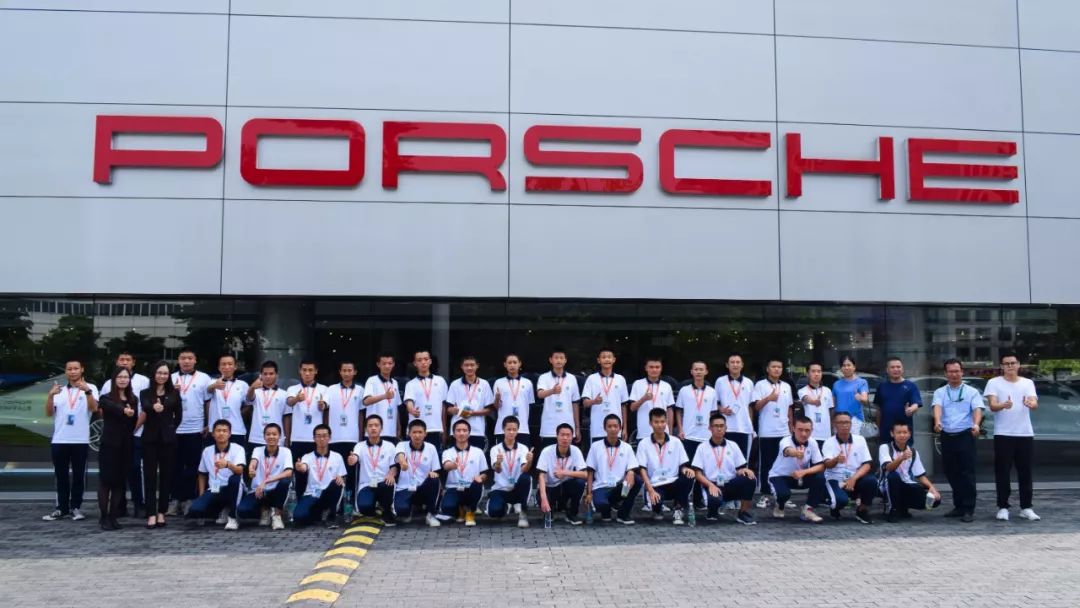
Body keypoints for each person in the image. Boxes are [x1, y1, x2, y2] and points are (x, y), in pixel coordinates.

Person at [984, 352, 1040, 522]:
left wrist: (1030, 403)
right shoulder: (994, 382)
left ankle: (1026, 507)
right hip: (1003, 433)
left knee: (1025, 472)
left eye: (1013, 363)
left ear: (1018, 364)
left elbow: (1034, 403)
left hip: (1024, 433)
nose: (1010, 366)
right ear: (1002, 366)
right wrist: (1003, 405)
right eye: (1006, 363)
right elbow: (992, 406)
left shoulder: (1027, 383)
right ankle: (1003, 507)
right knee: (1002, 472)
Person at [42, 359, 98, 522]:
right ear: (66, 372)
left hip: (80, 440)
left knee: (79, 476)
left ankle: (76, 508)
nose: (73, 371)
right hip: (60, 439)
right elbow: (48, 413)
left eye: (76, 368)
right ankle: (61, 508)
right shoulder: (58, 389)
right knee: (61, 476)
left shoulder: (91, 387)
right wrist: (50, 395)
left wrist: (87, 391)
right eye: (70, 369)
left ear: (82, 370)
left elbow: (94, 409)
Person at [932, 358, 984, 523]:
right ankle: (958, 506)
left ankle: (968, 508)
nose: (954, 374)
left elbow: (977, 409)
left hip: (965, 435)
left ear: (962, 372)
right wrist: (937, 421)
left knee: (967, 473)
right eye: (950, 371)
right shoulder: (940, 392)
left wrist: (976, 424)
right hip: (947, 435)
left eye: (956, 371)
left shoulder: (971, 391)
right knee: (951, 472)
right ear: (945, 373)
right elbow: (937, 407)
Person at [99, 351, 150, 518]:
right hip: (112, 439)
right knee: (111, 476)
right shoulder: (107, 388)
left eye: (128, 360)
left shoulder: (140, 386)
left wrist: (133, 428)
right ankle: (113, 511)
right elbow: (104, 408)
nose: (125, 362)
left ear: (133, 362)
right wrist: (122, 412)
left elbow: (143, 410)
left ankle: (137, 504)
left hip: (134, 435)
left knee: (133, 470)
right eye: (122, 359)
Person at [690, 413, 757, 525]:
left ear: (726, 428)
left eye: (722, 426)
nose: (719, 429)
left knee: (750, 478)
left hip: (730, 483)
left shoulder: (733, 445)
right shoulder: (702, 447)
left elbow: (739, 468)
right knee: (714, 500)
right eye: (716, 426)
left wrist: (744, 470)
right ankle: (712, 511)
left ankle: (743, 513)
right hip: (712, 484)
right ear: (710, 428)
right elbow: (697, 473)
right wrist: (710, 485)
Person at [139, 361, 181, 529]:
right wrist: (153, 407)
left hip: (168, 440)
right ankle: (151, 513)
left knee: (166, 476)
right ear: (153, 374)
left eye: (165, 373)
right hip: (149, 439)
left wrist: (170, 429)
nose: (162, 376)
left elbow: (178, 416)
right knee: (150, 477)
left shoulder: (174, 393)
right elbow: (145, 406)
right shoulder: (145, 393)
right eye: (159, 373)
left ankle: (162, 512)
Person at [169, 348, 211, 516]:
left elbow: (207, 402)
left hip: (195, 429)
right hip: (174, 429)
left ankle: (189, 499)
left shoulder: (204, 378)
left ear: (195, 360)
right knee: (175, 466)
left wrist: (208, 423)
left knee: (193, 466)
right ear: (178, 360)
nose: (186, 361)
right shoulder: (170, 378)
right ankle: (175, 499)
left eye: (190, 358)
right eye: (183, 358)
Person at [96, 367, 138, 530]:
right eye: (120, 377)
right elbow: (109, 407)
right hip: (109, 444)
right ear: (114, 379)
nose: (123, 380)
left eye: (126, 377)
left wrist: (130, 413)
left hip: (126, 444)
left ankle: (114, 516)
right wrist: (124, 410)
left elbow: (134, 419)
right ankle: (104, 517)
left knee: (120, 482)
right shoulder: (106, 397)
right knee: (106, 480)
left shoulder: (133, 399)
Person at [186, 419, 246, 530]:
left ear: (229, 434)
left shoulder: (238, 449)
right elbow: (202, 473)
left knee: (235, 480)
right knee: (195, 510)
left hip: (232, 488)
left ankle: (233, 517)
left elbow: (239, 470)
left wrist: (228, 464)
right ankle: (223, 509)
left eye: (224, 431)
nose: (221, 433)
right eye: (218, 431)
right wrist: (202, 494)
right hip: (215, 488)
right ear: (213, 434)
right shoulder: (207, 451)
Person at [636, 408, 693, 525]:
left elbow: (682, 464)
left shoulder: (676, 441)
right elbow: (642, 469)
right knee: (656, 505)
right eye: (656, 422)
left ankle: (678, 509)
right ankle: (657, 510)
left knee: (689, 476)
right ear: (650, 423)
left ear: (666, 421)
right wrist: (650, 490)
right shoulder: (643, 443)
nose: (660, 425)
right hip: (655, 485)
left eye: (662, 421)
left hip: (673, 482)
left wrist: (686, 469)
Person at [751, 357, 794, 508]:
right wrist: (769, 398)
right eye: (774, 366)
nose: (777, 369)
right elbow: (756, 407)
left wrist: (791, 427)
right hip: (767, 431)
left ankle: (783, 495)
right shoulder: (760, 385)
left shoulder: (786, 386)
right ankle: (765, 494)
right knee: (766, 465)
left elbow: (789, 409)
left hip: (784, 431)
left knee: (784, 464)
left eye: (779, 367)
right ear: (768, 369)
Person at [878, 421, 941, 523]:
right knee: (893, 476)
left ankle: (903, 506)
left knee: (935, 500)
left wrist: (932, 487)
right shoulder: (885, 447)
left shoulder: (913, 452)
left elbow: (920, 475)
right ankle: (893, 510)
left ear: (909, 434)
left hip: (907, 484)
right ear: (892, 434)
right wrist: (901, 458)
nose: (902, 435)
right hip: (887, 485)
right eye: (899, 432)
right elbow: (889, 468)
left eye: (905, 432)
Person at [767, 415, 827, 523]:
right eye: (800, 430)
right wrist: (795, 453)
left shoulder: (812, 442)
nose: (804, 434)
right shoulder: (785, 440)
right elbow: (787, 450)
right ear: (793, 428)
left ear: (812, 431)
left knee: (820, 477)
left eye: (807, 430)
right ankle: (780, 505)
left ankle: (808, 510)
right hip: (780, 476)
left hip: (800, 475)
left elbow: (821, 465)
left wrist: (804, 472)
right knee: (784, 495)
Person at [821, 412, 877, 524]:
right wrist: (835, 460)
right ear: (834, 425)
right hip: (835, 479)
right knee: (840, 501)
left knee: (871, 481)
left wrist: (854, 478)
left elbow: (867, 464)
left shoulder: (860, 439)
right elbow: (827, 464)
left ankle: (862, 510)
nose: (845, 425)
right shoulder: (829, 442)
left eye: (847, 422)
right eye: (841, 422)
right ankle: (835, 506)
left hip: (854, 477)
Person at [675, 361, 717, 509]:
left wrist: (712, 432)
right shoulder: (684, 391)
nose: (698, 372)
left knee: (702, 470)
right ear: (691, 372)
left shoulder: (712, 392)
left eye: (701, 369)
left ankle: (699, 500)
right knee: (686, 469)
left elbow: (713, 413)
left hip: (705, 437)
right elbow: (678, 411)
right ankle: (681, 501)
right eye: (696, 369)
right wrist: (680, 429)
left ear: (706, 372)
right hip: (688, 436)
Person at [584, 414, 640, 525]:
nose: (613, 429)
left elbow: (633, 466)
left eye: (615, 426)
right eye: (609, 426)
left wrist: (631, 472)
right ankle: (606, 512)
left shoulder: (627, 447)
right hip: (601, 487)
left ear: (620, 428)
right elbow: (590, 472)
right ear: (605, 428)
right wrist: (589, 493)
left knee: (637, 480)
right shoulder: (595, 446)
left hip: (619, 487)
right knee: (601, 504)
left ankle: (623, 515)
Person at [325, 360, 364, 519]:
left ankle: (353, 504)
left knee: (352, 473)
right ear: (340, 372)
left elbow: (361, 414)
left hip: (352, 438)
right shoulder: (331, 389)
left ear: (355, 372)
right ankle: (337, 505)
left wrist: (360, 436)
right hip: (334, 438)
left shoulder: (360, 390)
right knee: (336, 472)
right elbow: (325, 409)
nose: (347, 373)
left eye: (350, 370)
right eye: (344, 370)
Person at [237, 423, 293, 530]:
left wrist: (266, 481)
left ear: (280, 436)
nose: (271, 437)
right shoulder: (257, 450)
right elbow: (253, 462)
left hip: (275, 489)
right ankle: (265, 510)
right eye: (268, 434)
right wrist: (251, 469)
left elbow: (289, 472)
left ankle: (277, 514)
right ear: (264, 436)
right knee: (242, 510)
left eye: (274, 434)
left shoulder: (286, 451)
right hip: (258, 490)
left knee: (285, 482)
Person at [285, 360, 327, 498]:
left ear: (316, 371)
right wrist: (297, 399)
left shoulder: (324, 389)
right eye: (304, 370)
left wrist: (322, 405)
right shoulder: (293, 389)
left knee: (317, 472)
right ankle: (300, 501)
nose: (307, 373)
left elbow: (325, 406)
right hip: (298, 439)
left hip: (317, 440)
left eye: (310, 370)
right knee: (300, 473)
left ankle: (317, 502)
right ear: (300, 371)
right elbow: (289, 402)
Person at [293, 424, 348, 528]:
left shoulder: (337, 457)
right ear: (314, 438)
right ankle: (317, 514)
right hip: (312, 493)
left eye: (324, 436)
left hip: (328, 493)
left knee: (337, 483)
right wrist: (300, 467)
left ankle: (331, 516)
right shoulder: (307, 456)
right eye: (318, 436)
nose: (321, 439)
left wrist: (341, 478)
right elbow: (304, 466)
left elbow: (342, 476)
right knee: (298, 517)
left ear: (329, 438)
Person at [349, 414, 400, 526]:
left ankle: (387, 512)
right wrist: (352, 459)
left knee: (388, 483)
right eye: (370, 425)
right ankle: (376, 509)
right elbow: (355, 457)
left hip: (383, 483)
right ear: (365, 429)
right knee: (364, 507)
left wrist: (391, 474)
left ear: (381, 428)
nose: (373, 428)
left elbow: (394, 466)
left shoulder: (390, 446)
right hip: (366, 485)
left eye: (376, 425)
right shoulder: (359, 446)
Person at [394, 419, 442, 527]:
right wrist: (403, 462)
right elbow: (400, 455)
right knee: (401, 511)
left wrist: (433, 474)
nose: (417, 435)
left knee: (434, 479)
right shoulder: (401, 445)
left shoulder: (431, 448)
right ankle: (409, 509)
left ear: (425, 434)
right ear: (409, 433)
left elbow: (436, 470)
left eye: (420, 432)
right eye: (414, 432)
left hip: (422, 487)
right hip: (405, 488)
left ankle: (431, 514)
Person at [536, 423, 588, 525]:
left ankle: (572, 513)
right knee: (543, 498)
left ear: (572, 437)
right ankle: (549, 512)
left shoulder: (575, 450)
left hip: (565, 487)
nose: (565, 438)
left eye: (568, 435)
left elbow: (585, 474)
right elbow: (541, 476)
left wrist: (565, 472)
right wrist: (544, 499)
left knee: (580, 483)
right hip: (550, 487)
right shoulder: (547, 451)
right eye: (562, 435)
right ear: (557, 436)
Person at [440, 419, 489, 526]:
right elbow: (446, 466)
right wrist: (453, 465)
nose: (461, 433)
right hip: (454, 488)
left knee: (477, 484)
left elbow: (485, 473)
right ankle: (461, 509)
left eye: (464, 430)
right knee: (447, 508)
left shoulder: (478, 452)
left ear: (469, 433)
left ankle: (470, 512)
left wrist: (481, 477)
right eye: (458, 430)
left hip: (472, 487)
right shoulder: (447, 452)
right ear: (453, 434)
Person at [487, 415, 533, 528]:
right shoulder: (495, 449)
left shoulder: (523, 448)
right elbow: (497, 470)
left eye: (514, 429)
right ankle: (506, 506)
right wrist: (498, 462)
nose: (511, 432)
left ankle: (523, 512)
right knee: (494, 512)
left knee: (526, 478)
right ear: (503, 429)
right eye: (509, 429)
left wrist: (529, 461)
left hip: (517, 489)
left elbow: (524, 469)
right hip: (501, 489)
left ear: (518, 430)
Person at [581, 347, 631, 448]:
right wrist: (594, 401)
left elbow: (624, 405)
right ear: (598, 360)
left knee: (615, 454)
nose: (607, 359)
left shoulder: (620, 379)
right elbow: (585, 403)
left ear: (614, 359)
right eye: (603, 357)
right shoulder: (591, 379)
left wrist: (624, 428)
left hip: (616, 428)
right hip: (597, 427)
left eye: (609, 357)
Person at [535, 346, 582, 450]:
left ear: (565, 360)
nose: (559, 360)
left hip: (568, 425)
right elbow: (540, 394)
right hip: (549, 426)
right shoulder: (544, 377)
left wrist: (577, 428)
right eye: (556, 358)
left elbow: (575, 403)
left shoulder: (572, 378)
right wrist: (552, 391)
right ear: (551, 360)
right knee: (548, 454)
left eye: (561, 358)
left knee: (567, 456)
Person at [446, 356, 494, 450]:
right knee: (457, 457)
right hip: (458, 430)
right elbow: (448, 409)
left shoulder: (484, 384)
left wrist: (472, 413)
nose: (469, 368)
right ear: (462, 367)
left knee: (476, 457)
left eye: (472, 365)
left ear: (477, 366)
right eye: (466, 365)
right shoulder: (455, 384)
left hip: (477, 430)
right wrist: (455, 410)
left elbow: (489, 409)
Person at [715, 353, 754, 467]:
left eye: (738, 362)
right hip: (725, 427)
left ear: (742, 365)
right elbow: (714, 403)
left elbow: (750, 406)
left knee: (743, 462)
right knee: (724, 460)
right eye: (732, 362)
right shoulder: (720, 381)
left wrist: (750, 425)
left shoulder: (749, 383)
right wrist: (721, 410)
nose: (735, 365)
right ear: (727, 365)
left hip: (744, 428)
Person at [403, 349, 449, 448]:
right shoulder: (410, 384)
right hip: (416, 429)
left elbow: (443, 407)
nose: (423, 362)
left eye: (426, 359)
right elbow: (409, 402)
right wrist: (411, 410)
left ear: (430, 361)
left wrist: (444, 429)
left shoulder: (441, 381)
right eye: (419, 360)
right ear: (415, 363)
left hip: (435, 428)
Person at [205, 354, 249, 456]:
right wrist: (214, 386)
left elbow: (248, 405)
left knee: (236, 459)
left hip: (236, 430)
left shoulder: (243, 385)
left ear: (235, 367)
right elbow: (207, 393)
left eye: (230, 364)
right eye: (223, 364)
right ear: (219, 367)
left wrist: (239, 414)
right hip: (215, 430)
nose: (227, 367)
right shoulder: (211, 382)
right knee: (214, 459)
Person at [245, 360, 291, 453]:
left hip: (277, 438)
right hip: (256, 438)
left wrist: (287, 439)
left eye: (271, 374)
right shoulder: (255, 392)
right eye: (265, 374)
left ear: (276, 375)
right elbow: (249, 398)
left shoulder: (284, 394)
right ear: (260, 375)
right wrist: (252, 387)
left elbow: (287, 417)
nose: (268, 376)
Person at [874, 357, 922, 445]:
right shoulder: (882, 387)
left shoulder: (911, 386)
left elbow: (916, 404)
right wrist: (877, 428)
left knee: (904, 453)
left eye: (898, 367)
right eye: (892, 367)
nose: (896, 369)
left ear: (902, 369)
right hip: (885, 432)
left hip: (903, 433)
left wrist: (911, 409)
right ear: (887, 370)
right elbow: (879, 409)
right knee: (886, 453)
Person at [493, 353, 536, 447]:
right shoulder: (498, 382)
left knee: (522, 455)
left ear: (519, 364)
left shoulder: (528, 383)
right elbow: (496, 406)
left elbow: (530, 404)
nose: (512, 365)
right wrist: (497, 398)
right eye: (509, 363)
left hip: (522, 428)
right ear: (505, 364)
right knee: (502, 454)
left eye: (515, 362)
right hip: (502, 429)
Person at [629, 357, 675, 444]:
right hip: (644, 432)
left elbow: (669, 410)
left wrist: (670, 432)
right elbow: (632, 408)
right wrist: (644, 399)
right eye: (651, 367)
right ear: (646, 368)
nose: (654, 370)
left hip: (663, 432)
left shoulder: (667, 386)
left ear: (661, 368)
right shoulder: (638, 384)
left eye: (657, 367)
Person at [363, 353, 402, 442]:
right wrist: (384, 396)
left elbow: (396, 407)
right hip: (375, 431)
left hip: (391, 432)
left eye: (390, 363)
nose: (387, 366)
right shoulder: (372, 380)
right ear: (378, 364)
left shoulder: (395, 383)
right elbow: (366, 401)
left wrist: (398, 427)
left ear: (393, 364)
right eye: (384, 363)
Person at [798, 362, 834, 450]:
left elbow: (831, 411)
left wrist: (832, 429)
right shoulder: (802, 391)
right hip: (810, 435)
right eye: (813, 371)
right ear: (807, 374)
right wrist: (813, 402)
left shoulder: (827, 391)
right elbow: (806, 398)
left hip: (826, 435)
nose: (816, 374)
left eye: (819, 371)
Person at [831, 356, 871, 437]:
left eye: (849, 365)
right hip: (838, 420)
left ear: (854, 367)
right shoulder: (836, 384)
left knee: (854, 443)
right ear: (841, 368)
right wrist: (832, 420)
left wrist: (860, 398)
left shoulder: (862, 382)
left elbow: (865, 400)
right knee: (839, 443)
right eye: (844, 365)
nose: (846, 368)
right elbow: (833, 405)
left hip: (854, 420)